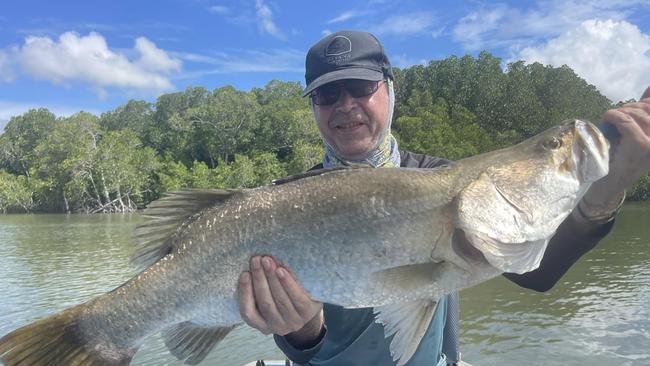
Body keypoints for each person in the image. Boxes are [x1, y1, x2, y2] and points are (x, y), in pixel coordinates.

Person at [237, 30, 650, 366]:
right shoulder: (279, 204)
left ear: (389, 91)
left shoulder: (440, 177)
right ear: (314, 108)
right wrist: (302, 331)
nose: (346, 105)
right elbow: (301, 344)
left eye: (361, 87)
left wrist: (605, 192)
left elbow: (536, 274)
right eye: (327, 95)